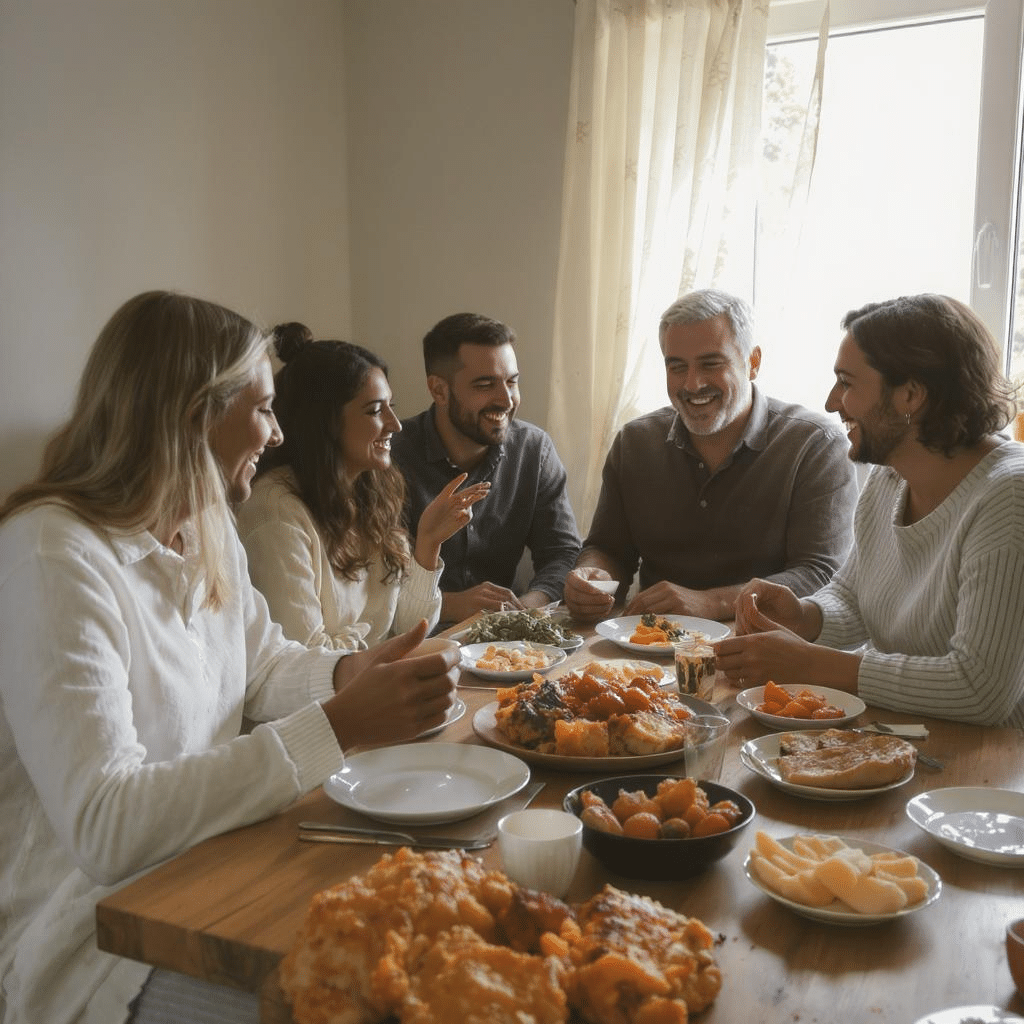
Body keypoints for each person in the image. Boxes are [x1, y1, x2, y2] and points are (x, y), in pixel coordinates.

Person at [0, 291, 461, 1024]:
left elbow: (263, 667)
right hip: (95, 939)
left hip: (215, 864)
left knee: (430, 946)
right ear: (193, 413)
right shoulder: (54, 553)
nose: (277, 436)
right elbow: (104, 822)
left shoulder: (206, 523)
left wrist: (350, 675)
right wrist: (338, 723)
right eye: (264, 408)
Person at [714, 294, 1024, 728]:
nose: (830, 401)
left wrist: (813, 664)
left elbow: (981, 688)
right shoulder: (890, 477)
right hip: (908, 737)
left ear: (910, 395)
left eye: (846, 382)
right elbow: (855, 597)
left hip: (988, 768)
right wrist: (804, 616)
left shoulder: (1009, 494)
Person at [564, 288, 859, 623]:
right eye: (677, 367)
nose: (693, 384)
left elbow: (820, 575)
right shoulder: (634, 442)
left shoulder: (816, 445)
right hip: (648, 649)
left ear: (753, 362)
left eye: (711, 364)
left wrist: (713, 603)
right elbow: (608, 549)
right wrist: (592, 576)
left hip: (765, 649)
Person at [235, 324, 488, 650]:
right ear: (324, 421)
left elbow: (409, 629)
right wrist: (381, 651)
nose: (394, 426)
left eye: (390, 408)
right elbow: (308, 659)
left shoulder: (369, 491)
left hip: (376, 684)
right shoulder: (276, 512)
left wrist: (428, 542)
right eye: (374, 411)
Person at [391, 312, 582, 624]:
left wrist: (523, 609)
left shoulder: (533, 449)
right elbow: (369, 589)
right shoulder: (391, 459)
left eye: (512, 382)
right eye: (485, 385)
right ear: (439, 390)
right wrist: (451, 605)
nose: (506, 400)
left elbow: (563, 554)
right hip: (416, 640)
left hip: (508, 638)